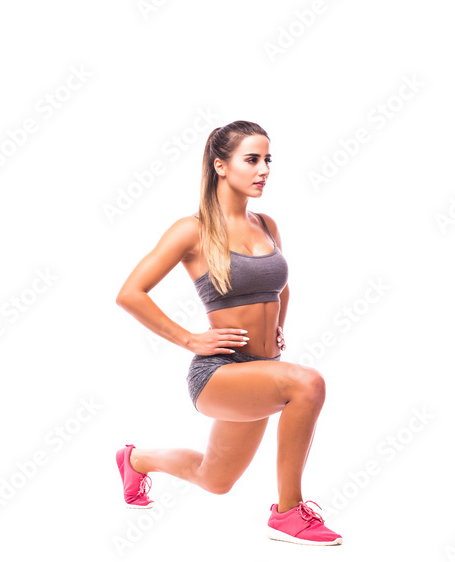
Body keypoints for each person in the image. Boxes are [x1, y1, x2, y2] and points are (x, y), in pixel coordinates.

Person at [114, 120, 341, 546]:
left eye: (268, 160)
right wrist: (190, 339)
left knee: (214, 479)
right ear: (220, 165)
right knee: (308, 383)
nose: (264, 170)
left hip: (260, 369)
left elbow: (279, 283)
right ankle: (289, 513)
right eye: (252, 159)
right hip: (219, 373)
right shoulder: (193, 230)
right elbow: (130, 294)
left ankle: (136, 460)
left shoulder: (267, 225)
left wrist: (279, 328)